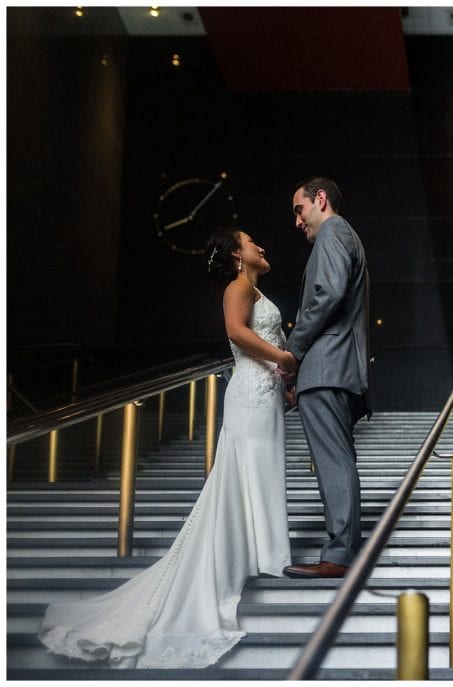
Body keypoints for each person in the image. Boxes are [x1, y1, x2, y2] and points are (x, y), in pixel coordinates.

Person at [37, 228, 295, 668]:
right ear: (237, 253)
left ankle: (264, 552)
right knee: (248, 471)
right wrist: (283, 359)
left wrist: (281, 376)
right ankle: (260, 556)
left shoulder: (252, 288)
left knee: (261, 471)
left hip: (263, 394)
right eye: (253, 242)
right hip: (250, 395)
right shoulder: (238, 288)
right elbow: (235, 333)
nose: (262, 247)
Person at [280, 176, 370, 579]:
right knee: (338, 460)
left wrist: (292, 352)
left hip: (328, 366)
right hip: (339, 367)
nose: (297, 221)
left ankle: (339, 554)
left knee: (333, 462)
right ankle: (343, 550)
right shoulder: (344, 235)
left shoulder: (333, 230)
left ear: (320, 200)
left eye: (299, 210)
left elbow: (328, 294)